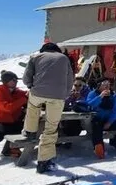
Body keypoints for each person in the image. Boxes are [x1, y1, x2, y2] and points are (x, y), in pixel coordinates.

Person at [22, 42, 76, 173]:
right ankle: (43, 161)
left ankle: (30, 131)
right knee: (51, 127)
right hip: (57, 96)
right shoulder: (64, 58)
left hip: (38, 92)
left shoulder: (36, 57)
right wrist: (65, 93)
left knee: (33, 107)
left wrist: (30, 86)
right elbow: (70, 79)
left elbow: (26, 77)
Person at [73, 77, 116, 158]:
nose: (107, 86)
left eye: (108, 84)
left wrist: (110, 122)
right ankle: (99, 148)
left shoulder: (113, 95)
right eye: (105, 84)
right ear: (99, 85)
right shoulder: (93, 94)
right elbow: (90, 105)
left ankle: (115, 141)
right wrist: (100, 97)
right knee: (97, 129)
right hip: (97, 118)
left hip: (108, 119)